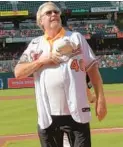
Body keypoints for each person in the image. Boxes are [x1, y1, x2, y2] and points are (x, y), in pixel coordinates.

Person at [14, 2, 107, 147]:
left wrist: (101, 99)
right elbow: (18, 72)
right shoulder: (35, 45)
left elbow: (93, 70)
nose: (54, 15)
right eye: (49, 13)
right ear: (41, 21)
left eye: (56, 12)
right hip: (48, 117)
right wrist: (42, 61)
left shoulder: (76, 38)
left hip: (77, 114)